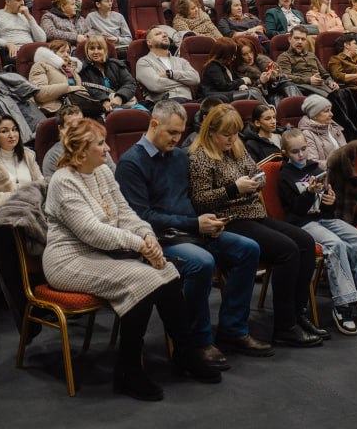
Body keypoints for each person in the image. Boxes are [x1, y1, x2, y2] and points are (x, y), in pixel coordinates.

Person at [43, 118, 222, 400]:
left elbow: (127, 214)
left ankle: (185, 354)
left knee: (168, 273)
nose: (107, 150)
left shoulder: (101, 172)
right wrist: (140, 245)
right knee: (144, 280)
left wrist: (147, 237)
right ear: (80, 151)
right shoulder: (63, 181)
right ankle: (128, 370)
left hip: (103, 254)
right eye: (100, 144)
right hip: (68, 260)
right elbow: (93, 232)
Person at [115, 101, 269, 364]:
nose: (178, 138)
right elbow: (143, 217)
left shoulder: (178, 156)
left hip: (192, 231)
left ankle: (233, 329)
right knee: (202, 262)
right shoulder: (131, 163)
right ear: (153, 124)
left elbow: (195, 198)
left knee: (248, 248)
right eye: (172, 133)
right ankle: (198, 340)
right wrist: (195, 223)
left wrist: (209, 218)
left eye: (181, 132)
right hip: (158, 240)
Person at [188, 104, 324, 347]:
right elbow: (199, 200)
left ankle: (297, 313)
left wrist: (256, 183)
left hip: (253, 213)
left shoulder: (237, 148)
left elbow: (255, 173)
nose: (232, 139)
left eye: (235, 133)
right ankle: (285, 325)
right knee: (287, 250)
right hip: (228, 220)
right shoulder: (200, 157)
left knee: (304, 241)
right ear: (211, 132)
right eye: (226, 134)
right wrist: (235, 189)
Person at [277, 127, 357, 335]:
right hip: (302, 224)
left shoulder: (315, 169)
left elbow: (326, 205)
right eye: (295, 151)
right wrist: (309, 194)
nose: (301, 154)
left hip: (324, 218)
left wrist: (330, 201)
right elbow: (295, 210)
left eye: (304, 149)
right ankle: (343, 306)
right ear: (286, 153)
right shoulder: (284, 176)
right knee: (335, 245)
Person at [137, 26, 201, 103]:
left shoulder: (181, 61)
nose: (164, 35)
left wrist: (171, 74)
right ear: (149, 42)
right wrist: (184, 83)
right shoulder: (144, 61)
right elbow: (156, 85)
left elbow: (195, 79)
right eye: (158, 34)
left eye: (165, 34)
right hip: (164, 104)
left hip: (188, 101)